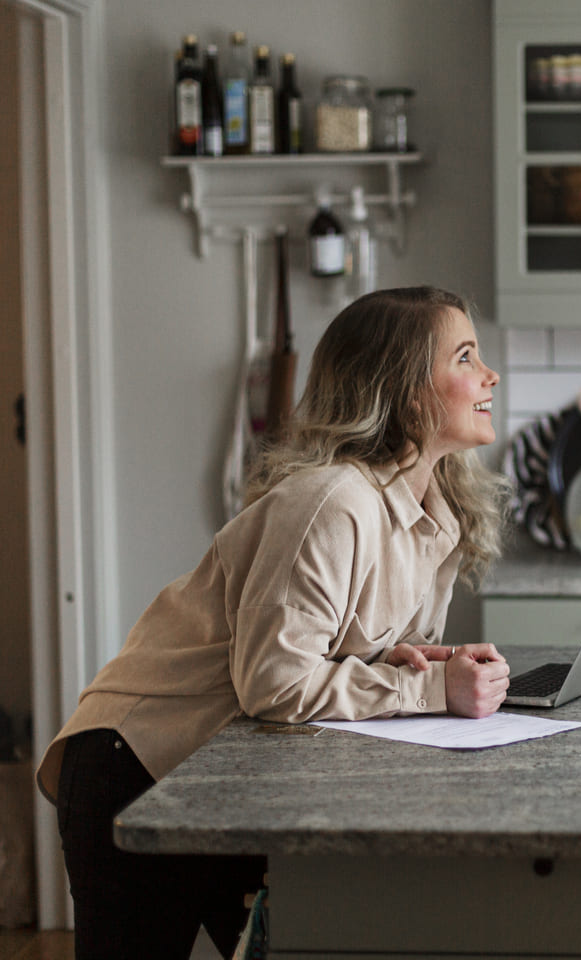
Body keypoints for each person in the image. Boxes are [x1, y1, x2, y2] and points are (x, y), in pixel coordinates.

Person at [36, 286, 513, 959]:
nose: (489, 375)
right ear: (405, 390)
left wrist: (428, 664)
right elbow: (275, 683)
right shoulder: (332, 502)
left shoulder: (433, 512)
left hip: (228, 775)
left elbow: (350, 652)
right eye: (465, 356)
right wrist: (431, 691)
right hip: (139, 767)